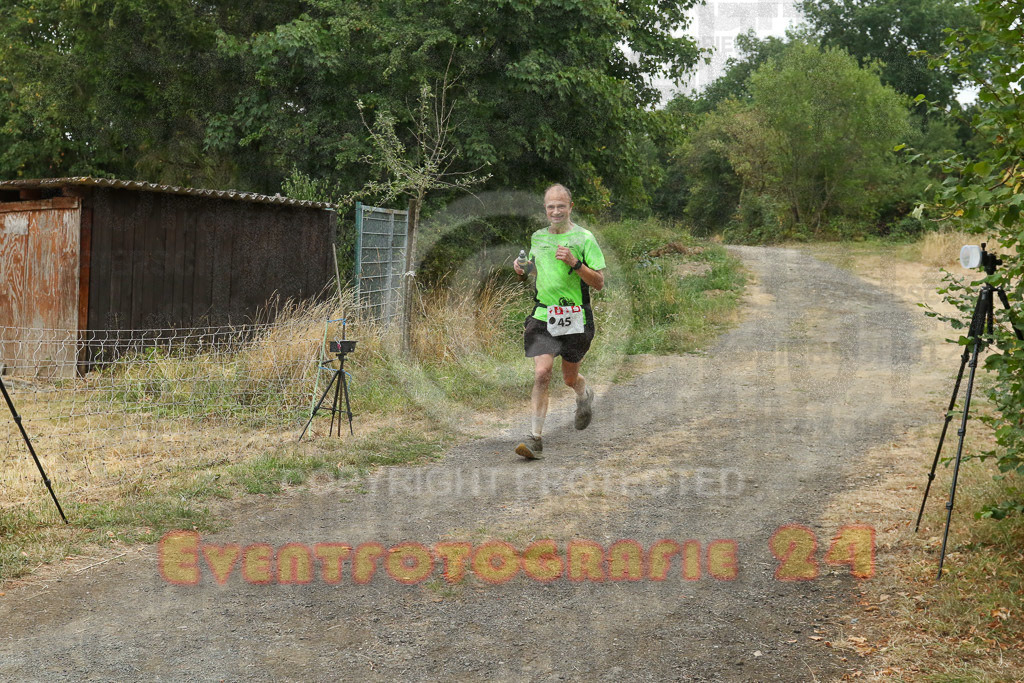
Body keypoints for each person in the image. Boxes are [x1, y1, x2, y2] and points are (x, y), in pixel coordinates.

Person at [512, 184, 606, 459]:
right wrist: (522, 269)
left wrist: (576, 263)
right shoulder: (538, 238)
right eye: (551, 206)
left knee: (569, 377)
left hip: (575, 316)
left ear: (570, 207)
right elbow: (533, 271)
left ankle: (583, 392)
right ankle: (534, 438)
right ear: (545, 209)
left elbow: (599, 283)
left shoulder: (584, 238)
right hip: (543, 314)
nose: (555, 211)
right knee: (542, 373)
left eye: (561, 206)